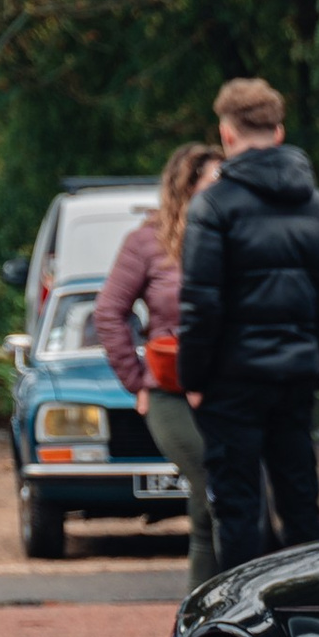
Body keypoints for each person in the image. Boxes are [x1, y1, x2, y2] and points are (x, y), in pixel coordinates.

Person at [177, 78, 319, 575]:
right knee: (300, 503)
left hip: (230, 382)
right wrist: (310, 366)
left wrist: (194, 379)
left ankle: (241, 622)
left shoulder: (212, 206)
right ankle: (307, 617)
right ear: (278, 131)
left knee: (237, 510)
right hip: (294, 376)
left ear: (227, 134)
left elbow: (200, 305)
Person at [96, 144, 222, 588]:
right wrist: (135, 380)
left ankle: (201, 617)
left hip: (223, 387)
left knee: (208, 509)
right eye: (214, 182)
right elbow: (109, 311)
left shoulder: (231, 233)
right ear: (187, 187)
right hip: (169, 391)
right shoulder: (147, 240)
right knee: (214, 481)